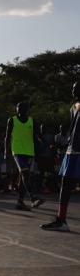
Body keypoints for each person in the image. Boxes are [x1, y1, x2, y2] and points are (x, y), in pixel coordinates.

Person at [42, 82, 80, 231]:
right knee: (65, 183)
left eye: (76, 88)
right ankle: (61, 220)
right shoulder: (74, 107)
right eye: (72, 88)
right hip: (72, 150)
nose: (73, 91)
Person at [5, 102, 44, 211]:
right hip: (17, 150)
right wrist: (5, 150)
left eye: (22, 107)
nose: (19, 109)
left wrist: (46, 144)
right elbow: (7, 136)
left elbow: (38, 134)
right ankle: (32, 197)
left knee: (24, 177)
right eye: (18, 107)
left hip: (29, 151)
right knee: (25, 172)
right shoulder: (12, 120)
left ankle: (20, 202)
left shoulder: (32, 121)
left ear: (27, 109)